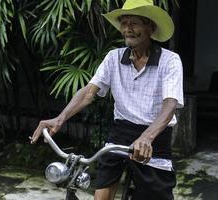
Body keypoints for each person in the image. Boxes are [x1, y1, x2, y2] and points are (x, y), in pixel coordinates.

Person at [31, 0, 184, 199]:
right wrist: (60, 118)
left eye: (134, 23)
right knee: (100, 193)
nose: (127, 28)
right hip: (120, 133)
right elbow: (88, 92)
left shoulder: (170, 60)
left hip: (154, 136)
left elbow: (170, 103)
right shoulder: (113, 57)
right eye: (124, 22)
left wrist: (147, 137)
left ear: (150, 27)